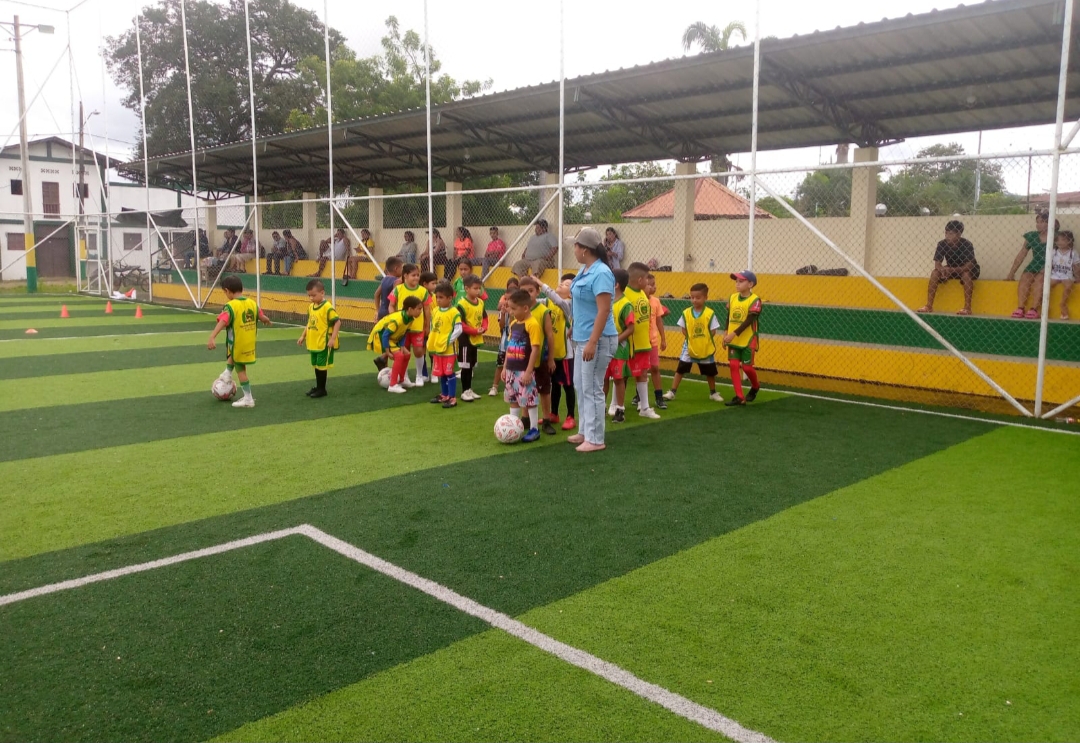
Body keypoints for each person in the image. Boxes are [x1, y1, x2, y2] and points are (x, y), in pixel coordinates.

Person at [567, 227, 617, 452]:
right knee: (580, 384)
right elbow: (582, 303)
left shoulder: (601, 273)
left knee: (592, 387)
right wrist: (574, 327)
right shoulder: (585, 270)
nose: (574, 250)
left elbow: (603, 310)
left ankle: (596, 439)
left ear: (585, 250)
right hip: (582, 337)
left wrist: (593, 342)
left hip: (598, 340)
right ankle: (585, 431)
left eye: (576, 246)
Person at [207, 274, 271, 408]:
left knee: (241, 370)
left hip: (238, 342)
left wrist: (212, 336)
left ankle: (248, 399)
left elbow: (223, 321)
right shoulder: (252, 303)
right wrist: (266, 320)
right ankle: (227, 373)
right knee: (233, 356)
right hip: (249, 342)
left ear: (227, 291)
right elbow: (261, 316)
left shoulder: (231, 306)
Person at [664, 283, 723, 402]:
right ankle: (672, 392)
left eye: (698, 297)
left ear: (705, 297)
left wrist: (702, 340)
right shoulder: (686, 313)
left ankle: (713, 393)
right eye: (692, 297)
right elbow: (683, 329)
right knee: (680, 369)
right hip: (689, 347)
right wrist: (693, 339)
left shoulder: (710, 313)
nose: (694, 300)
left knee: (710, 371)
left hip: (705, 347)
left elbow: (713, 331)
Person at [502, 288, 543, 443]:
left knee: (529, 400)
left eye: (514, 309)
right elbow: (509, 347)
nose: (511, 312)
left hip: (524, 370)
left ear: (525, 308)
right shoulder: (513, 324)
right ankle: (513, 426)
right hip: (511, 370)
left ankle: (534, 429)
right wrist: (505, 367)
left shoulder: (532, 324)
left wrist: (528, 371)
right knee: (513, 398)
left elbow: (535, 349)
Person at [519, 276, 558, 435]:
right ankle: (525, 418)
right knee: (524, 389)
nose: (528, 294)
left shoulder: (543, 311)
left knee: (544, 390)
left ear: (537, 291)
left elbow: (550, 336)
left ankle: (546, 420)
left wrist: (550, 358)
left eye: (531, 290)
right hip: (523, 359)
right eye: (524, 291)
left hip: (540, 358)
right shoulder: (519, 311)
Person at [622, 262, 661, 420]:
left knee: (643, 374)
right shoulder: (624, 295)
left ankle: (644, 407)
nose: (648, 282)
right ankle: (616, 406)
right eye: (646, 279)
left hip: (644, 343)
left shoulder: (643, 295)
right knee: (622, 375)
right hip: (629, 345)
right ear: (639, 280)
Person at [917, 220, 980, 315]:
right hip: (951, 268)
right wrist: (942, 270)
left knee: (966, 275)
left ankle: (967, 308)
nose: (947, 236)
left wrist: (951, 270)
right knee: (935, 273)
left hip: (968, 269)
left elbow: (969, 265)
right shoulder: (942, 244)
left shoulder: (967, 244)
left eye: (950, 234)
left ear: (959, 234)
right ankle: (928, 306)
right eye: (946, 233)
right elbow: (937, 264)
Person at [540, 273, 577, 430]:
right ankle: (554, 414)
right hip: (552, 352)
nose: (561, 284)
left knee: (568, 385)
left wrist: (540, 284)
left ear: (571, 293)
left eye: (567, 284)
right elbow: (534, 303)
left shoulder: (568, 304)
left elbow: (559, 301)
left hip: (566, 354)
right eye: (561, 282)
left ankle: (571, 416)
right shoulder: (548, 302)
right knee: (554, 384)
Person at [723, 271, 763, 406]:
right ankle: (740, 397)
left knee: (747, 368)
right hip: (733, 338)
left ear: (750, 284)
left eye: (741, 281)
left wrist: (733, 334)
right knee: (733, 365)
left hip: (748, 339)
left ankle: (755, 386)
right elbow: (729, 317)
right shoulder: (732, 297)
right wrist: (725, 333)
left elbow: (749, 320)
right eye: (736, 281)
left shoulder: (755, 300)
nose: (737, 284)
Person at [1007, 211, 1058, 319]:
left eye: (1042, 222)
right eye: (1037, 222)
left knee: (1040, 280)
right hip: (1035, 262)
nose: (1038, 224)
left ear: (1049, 223)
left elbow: (1062, 254)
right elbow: (1022, 254)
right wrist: (1012, 272)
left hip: (1050, 264)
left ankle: (1034, 309)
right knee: (1025, 277)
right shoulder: (1031, 236)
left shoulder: (1056, 236)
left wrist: (1050, 266)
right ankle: (1020, 308)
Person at [368, 296, 424, 393]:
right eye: (419, 309)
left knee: (407, 354)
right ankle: (392, 385)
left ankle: (402, 380)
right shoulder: (398, 319)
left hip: (393, 338)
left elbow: (403, 333)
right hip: (381, 335)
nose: (420, 311)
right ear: (410, 309)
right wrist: (387, 351)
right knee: (399, 356)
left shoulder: (410, 319)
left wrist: (402, 347)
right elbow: (385, 335)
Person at [388, 263, 432, 387]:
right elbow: (391, 305)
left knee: (418, 351)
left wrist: (427, 325)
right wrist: (394, 318)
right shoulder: (398, 289)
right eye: (413, 275)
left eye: (418, 275)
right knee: (403, 352)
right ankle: (404, 377)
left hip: (417, 328)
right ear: (405, 275)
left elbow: (427, 309)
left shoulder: (423, 291)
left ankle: (419, 375)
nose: (416, 277)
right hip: (402, 329)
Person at [297, 279, 340, 398]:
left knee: (321, 366)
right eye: (309, 296)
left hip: (323, 342)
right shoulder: (311, 307)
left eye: (314, 295)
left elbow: (337, 322)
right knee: (316, 366)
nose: (311, 298)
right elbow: (309, 323)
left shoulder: (327, 307)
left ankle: (322, 389)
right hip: (313, 342)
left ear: (322, 293)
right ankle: (318, 387)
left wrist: (333, 339)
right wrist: (303, 335)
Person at [603, 269, 636, 424]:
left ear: (615, 284)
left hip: (618, 349)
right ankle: (601, 407)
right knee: (603, 378)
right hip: (604, 347)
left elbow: (631, 328)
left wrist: (615, 340)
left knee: (618, 379)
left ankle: (620, 409)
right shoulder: (605, 300)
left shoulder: (625, 304)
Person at [427, 281, 463, 408]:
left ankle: (452, 398)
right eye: (437, 297)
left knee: (449, 373)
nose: (438, 300)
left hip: (449, 350)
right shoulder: (435, 310)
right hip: (438, 348)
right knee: (441, 373)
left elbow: (459, 329)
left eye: (441, 297)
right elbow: (433, 326)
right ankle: (444, 395)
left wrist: (448, 340)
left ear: (449, 298)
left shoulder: (454, 312)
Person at [456, 274, 489, 401]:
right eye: (475, 288)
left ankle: (469, 389)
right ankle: (464, 391)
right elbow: (461, 323)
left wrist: (484, 328)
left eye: (479, 288)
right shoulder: (462, 304)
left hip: (475, 339)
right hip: (465, 339)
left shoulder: (480, 302)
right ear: (467, 288)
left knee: (471, 365)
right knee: (465, 366)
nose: (478, 291)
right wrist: (474, 331)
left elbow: (485, 317)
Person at [489, 276, 520, 397]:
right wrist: (502, 313)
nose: (506, 302)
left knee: (514, 366)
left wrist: (510, 313)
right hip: (504, 342)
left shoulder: (518, 311)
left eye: (508, 299)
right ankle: (494, 386)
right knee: (500, 365)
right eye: (505, 298)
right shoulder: (504, 310)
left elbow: (514, 325)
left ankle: (512, 386)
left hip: (515, 343)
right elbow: (501, 326)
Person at [645, 273, 669, 410]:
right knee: (640, 370)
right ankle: (639, 396)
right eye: (650, 284)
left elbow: (659, 321)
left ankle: (659, 397)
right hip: (640, 342)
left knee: (655, 368)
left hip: (652, 342)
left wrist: (663, 339)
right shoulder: (638, 300)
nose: (654, 287)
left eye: (654, 284)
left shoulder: (656, 301)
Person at [1050, 229, 1080, 319]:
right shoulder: (1053, 252)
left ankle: (1062, 303)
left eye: (1063, 240)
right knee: (1046, 286)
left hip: (1067, 275)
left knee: (1068, 286)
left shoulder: (1073, 253)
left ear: (1069, 241)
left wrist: (1078, 277)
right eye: (1057, 240)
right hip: (1055, 274)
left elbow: (1076, 266)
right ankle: (1045, 304)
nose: (1059, 242)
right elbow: (1049, 264)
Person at [418, 271, 438, 383]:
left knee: (433, 350)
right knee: (422, 350)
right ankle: (424, 373)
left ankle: (434, 373)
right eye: (433, 283)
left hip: (434, 328)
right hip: (422, 327)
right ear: (425, 284)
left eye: (436, 283)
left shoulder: (435, 296)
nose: (435, 286)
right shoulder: (420, 295)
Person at [374, 256, 404, 324]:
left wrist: (378, 310)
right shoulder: (397, 282)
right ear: (396, 268)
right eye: (402, 268)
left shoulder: (384, 279)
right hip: (391, 312)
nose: (402, 270)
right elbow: (394, 297)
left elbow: (376, 294)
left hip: (382, 311)